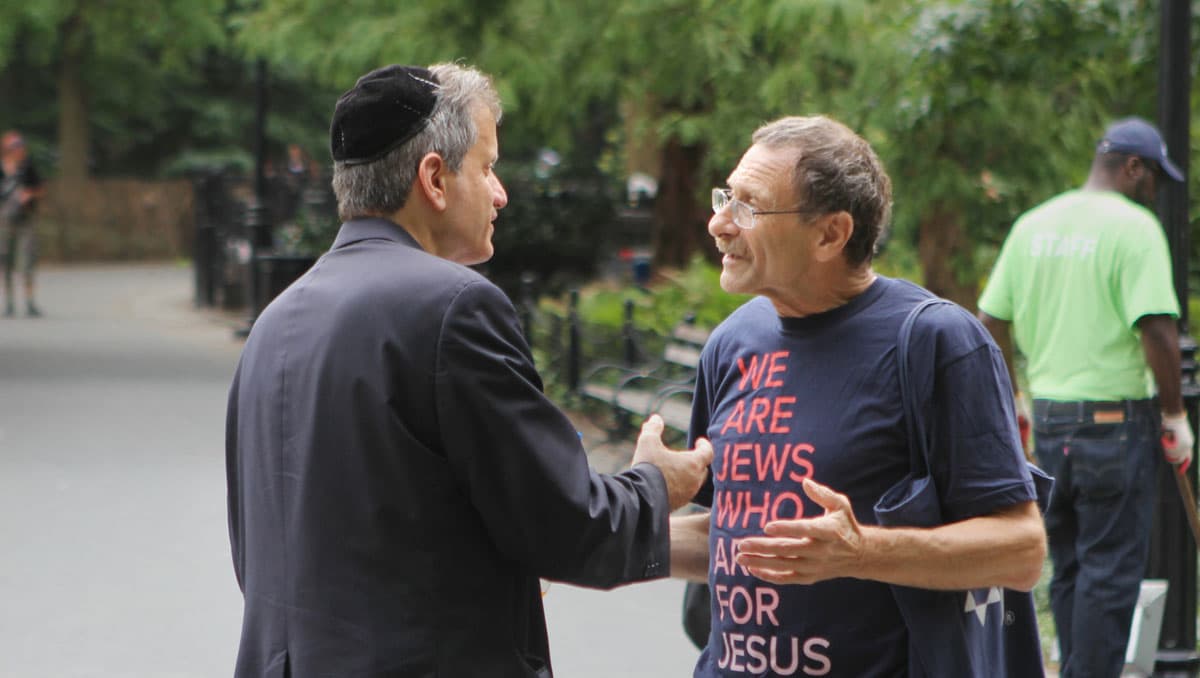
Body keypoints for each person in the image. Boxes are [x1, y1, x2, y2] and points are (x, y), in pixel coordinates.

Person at [225, 63, 713, 677]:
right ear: (434, 178)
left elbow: (274, 549)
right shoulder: (453, 306)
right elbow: (565, 523)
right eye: (487, 167)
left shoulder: (275, 322)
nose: (501, 191)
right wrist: (655, 483)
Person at [668, 115, 1047, 676]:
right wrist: (578, 534)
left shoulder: (937, 342)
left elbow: (1020, 550)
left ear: (830, 234)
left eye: (749, 206)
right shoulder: (731, 345)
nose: (719, 223)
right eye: (726, 196)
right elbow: (730, 536)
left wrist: (863, 551)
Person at [977, 116, 1191, 678]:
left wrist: (1014, 394)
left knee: (1069, 569)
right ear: (1132, 167)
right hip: (1114, 427)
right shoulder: (1135, 228)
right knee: (1111, 575)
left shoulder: (1033, 225)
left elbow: (989, 321)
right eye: (1153, 180)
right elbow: (1158, 330)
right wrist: (1175, 414)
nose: (1154, 193)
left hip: (1049, 426)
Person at [0, 130, 45, 317]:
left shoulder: (28, 167)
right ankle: (9, 303)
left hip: (26, 219)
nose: (20, 150)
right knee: (5, 259)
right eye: (15, 147)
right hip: (4, 220)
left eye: (21, 146)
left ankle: (29, 302)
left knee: (27, 260)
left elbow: (41, 189)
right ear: (6, 149)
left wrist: (30, 194)